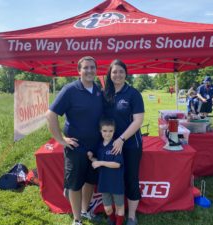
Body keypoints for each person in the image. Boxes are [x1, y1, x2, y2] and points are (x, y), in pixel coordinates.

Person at [45, 56, 103, 225]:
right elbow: (50, 114)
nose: (90, 70)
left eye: (93, 67)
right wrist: (60, 139)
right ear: (79, 71)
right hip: (76, 147)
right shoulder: (70, 90)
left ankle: (85, 211)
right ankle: (77, 220)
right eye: (86, 68)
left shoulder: (98, 90)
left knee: (90, 181)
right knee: (75, 184)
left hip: (95, 146)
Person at [103, 59, 144, 225]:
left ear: (126, 73)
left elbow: (138, 121)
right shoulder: (106, 94)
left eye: (121, 71)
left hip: (130, 145)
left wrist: (121, 139)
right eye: (114, 72)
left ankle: (132, 215)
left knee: (131, 179)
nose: (117, 75)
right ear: (110, 74)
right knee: (112, 179)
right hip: (110, 145)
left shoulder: (133, 94)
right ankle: (113, 214)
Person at [87, 118, 125, 225]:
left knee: (119, 207)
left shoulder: (116, 145)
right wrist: (92, 158)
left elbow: (117, 164)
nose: (107, 134)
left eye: (110, 131)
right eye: (104, 131)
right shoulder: (99, 145)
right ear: (100, 131)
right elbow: (98, 161)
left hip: (116, 182)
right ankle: (112, 220)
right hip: (104, 183)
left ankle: (119, 223)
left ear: (114, 131)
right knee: (108, 208)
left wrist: (100, 163)